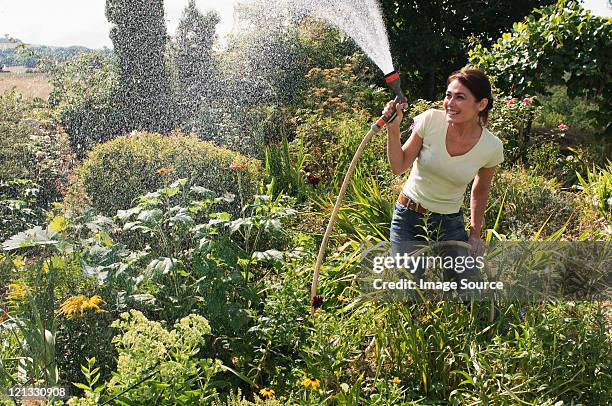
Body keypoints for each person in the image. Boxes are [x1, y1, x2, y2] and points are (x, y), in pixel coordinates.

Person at [385, 67, 503, 291]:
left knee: (469, 288)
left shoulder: (491, 147)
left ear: (481, 104)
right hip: (408, 217)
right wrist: (393, 129)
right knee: (409, 290)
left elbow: (481, 190)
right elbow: (398, 166)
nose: (450, 103)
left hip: (449, 223)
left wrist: (475, 233)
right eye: (448, 95)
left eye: (460, 97)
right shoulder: (430, 120)